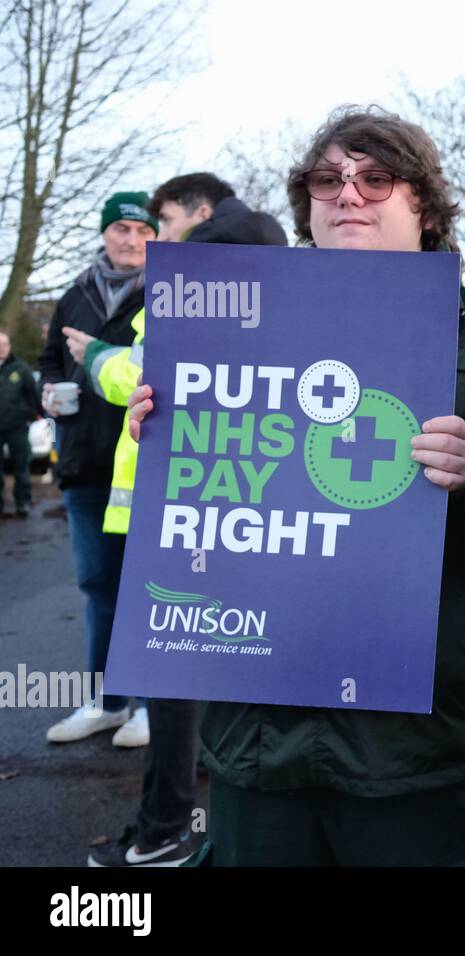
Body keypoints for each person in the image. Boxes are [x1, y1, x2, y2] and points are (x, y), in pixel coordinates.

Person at [126, 107, 465, 865]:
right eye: (328, 179)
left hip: (415, 747)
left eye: (376, 177)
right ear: (306, 206)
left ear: (425, 203)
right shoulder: (235, 326)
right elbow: (209, 512)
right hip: (257, 736)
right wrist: (168, 431)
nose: (349, 193)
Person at [67, 173, 288, 867]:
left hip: (180, 514)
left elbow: (143, 372)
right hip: (197, 507)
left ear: (198, 214)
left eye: (161, 220)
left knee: (175, 680)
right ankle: (176, 827)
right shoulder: (247, 274)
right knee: (195, 676)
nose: (154, 236)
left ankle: (166, 831)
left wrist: (94, 357)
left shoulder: (197, 281)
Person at [42, 193, 156, 747]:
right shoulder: (72, 296)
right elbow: (50, 359)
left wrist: (98, 354)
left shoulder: (171, 296)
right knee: (98, 586)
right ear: (105, 234)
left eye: (141, 229)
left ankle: (155, 708)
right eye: (120, 228)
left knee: (152, 588)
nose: (130, 239)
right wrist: (47, 390)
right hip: (85, 464)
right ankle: (108, 700)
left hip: (143, 468)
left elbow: (142, 368)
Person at [0, 331, 40, 518]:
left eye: (5, 344)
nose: (2, 348)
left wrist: (32, 414)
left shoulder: (20, 368)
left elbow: (33, 394)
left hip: (17, 427)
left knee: (21, 467)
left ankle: (22, 501)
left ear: (9, 346)